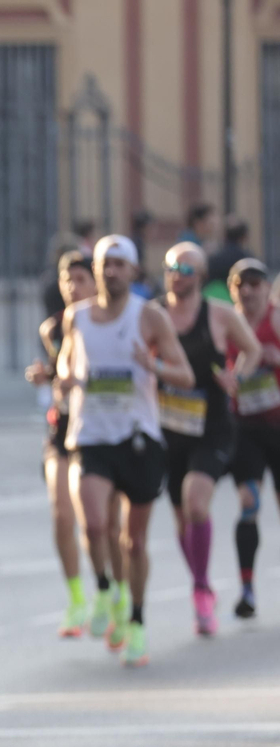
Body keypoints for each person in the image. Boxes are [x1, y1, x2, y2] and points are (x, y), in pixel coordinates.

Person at [55, 235, 194, 667]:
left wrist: (152, 365)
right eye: (104, 264)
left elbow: (185, 375)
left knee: (133, 542)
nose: (110, 271)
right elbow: (67, 360)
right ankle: (103, 589)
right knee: (94, 523)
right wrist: (61, 378)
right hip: (91, 434)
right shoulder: (75, 316)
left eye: (119, 264)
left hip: (138, 437)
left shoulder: (148, 316)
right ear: (95, 270)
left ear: (133, 271)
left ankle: (136, 620)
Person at [157, 242, 259, 635]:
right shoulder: (153, 315)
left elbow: (249, 351)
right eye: (171, 265)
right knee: (182, 517)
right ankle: (200, 581)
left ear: (200, 277)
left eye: (185, 267)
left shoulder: (218, 315)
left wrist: (238, 377)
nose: (177, 272)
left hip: (212, 422)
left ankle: (201, 590)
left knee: (197, 502)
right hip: (169, 425)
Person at [28, 250, 126, 638]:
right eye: (66, 279)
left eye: (80, 279)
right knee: (62, 514)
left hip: (104, 430)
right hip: (63, 429)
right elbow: (59, 372)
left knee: (105, 524)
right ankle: (77, 598)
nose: (72, 287)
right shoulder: (52, 328)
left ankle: (116, 594)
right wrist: (47, 376)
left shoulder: (115, 322)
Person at [228, 258, 280, 618]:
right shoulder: (226, 323)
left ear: (266, 289)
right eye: (240, 284)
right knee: (249, 503)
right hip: (244, 428)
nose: (247, 291)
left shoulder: (276, 319)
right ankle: (247, 590)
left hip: (278, 426)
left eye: (254, 284)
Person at [206, 218, 252, 303]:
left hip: (216, 303)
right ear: (244, 237)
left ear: (224, 236)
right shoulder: (249, 260)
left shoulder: (214, 259)